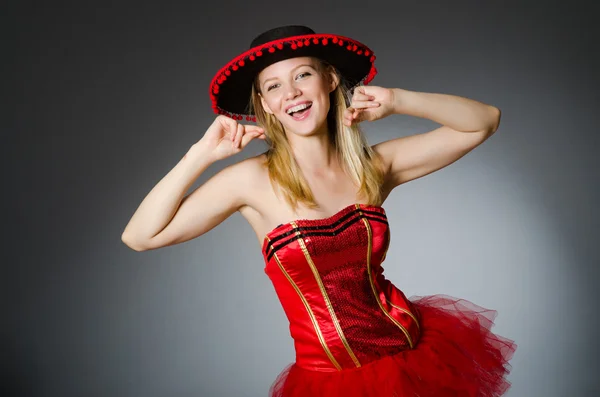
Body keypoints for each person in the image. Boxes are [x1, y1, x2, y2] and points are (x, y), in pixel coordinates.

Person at [122, 25, 517, 396]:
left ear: (329, 80)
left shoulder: (372, 166)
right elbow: (140, 236)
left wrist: (398, 100)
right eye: (273, 86)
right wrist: (201, 155)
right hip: (329, 381)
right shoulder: (249, 181)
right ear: (265, 105)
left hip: (411, 356)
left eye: (302, 75)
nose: (291, 92)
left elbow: (484, 122)